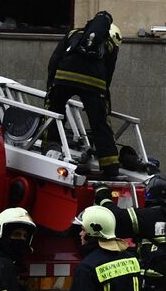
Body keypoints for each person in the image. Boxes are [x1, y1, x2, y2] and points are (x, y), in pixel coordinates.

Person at [46, 10, 123, 180]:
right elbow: (108, 73)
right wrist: (104, 97)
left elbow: (55, 59)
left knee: (55, 113)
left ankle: (51, 148)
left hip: (64, 76)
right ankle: (110, 165)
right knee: (99, 123)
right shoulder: (110, 44)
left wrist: (51, 82)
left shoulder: (73, 33)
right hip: (93, 83)